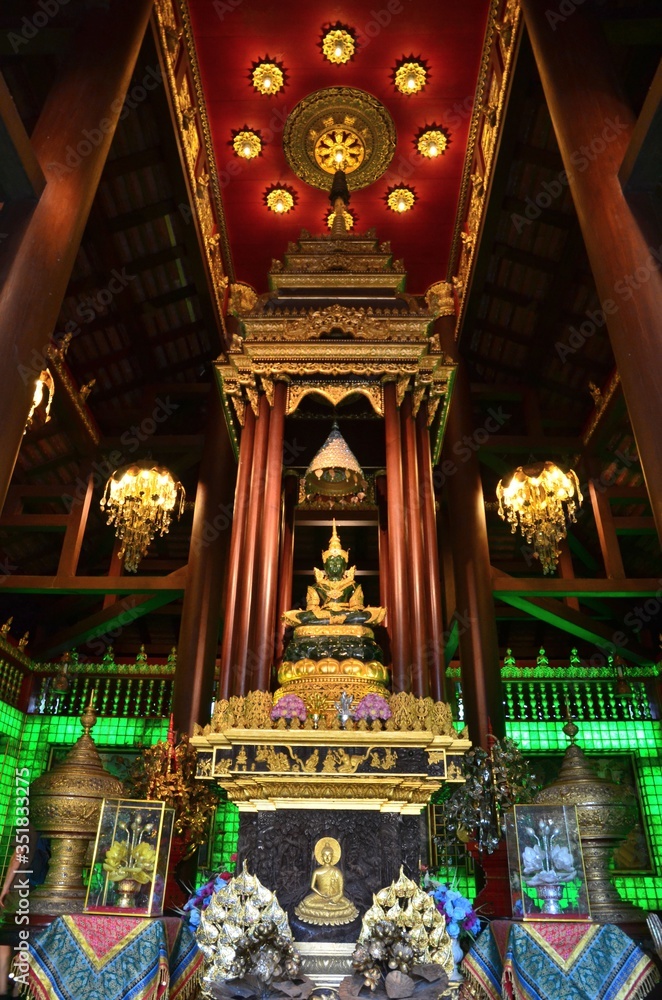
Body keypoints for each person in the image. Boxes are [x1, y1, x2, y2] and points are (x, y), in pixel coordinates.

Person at [0, 825, 49, 999]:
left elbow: (17, 857)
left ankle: (1, 988)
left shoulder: (28, 826)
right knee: (25, 940)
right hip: (37, 889)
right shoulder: (47, 825)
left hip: (18, 886)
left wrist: (5, 888)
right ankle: (19, 991)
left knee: (5, 938)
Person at [295, 837, 358, 927]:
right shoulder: (317, 872)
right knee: (306, 902)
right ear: (321, 856)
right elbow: (312, 886)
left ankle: (328, 908)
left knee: (348, 905)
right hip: (320, 896)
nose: (327, 857)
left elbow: (340, 892)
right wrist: (321, 895)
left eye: (329, 855)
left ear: (333, 856)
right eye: (325, 855)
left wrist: (334, 899)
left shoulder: (337, 872)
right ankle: (330, 909)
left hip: (335, 897)